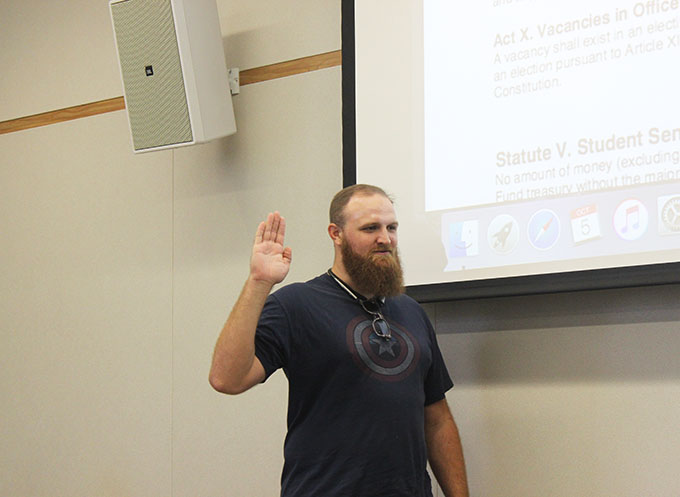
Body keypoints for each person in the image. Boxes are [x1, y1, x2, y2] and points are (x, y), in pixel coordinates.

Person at [210, 184, 469, 497]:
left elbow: (437, 420)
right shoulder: (296, 304)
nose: (385, 239)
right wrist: (259, 282)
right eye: (370, 228)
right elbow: (227, 378)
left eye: (392, 227)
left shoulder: (410, 311)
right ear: (336, 233)